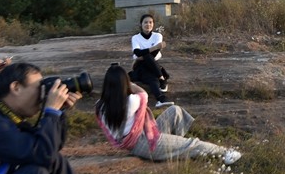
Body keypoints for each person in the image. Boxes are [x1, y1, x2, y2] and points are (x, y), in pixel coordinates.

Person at [95, 63, 241, 164]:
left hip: (142, 137)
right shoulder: (131, 101)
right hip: (145, 144)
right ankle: (225, 153)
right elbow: (143, 94)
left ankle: (175, 146)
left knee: (174, 111)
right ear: (125, 83)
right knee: (192, 144)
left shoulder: (99, 107)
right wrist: (129, 84)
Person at [129, 13, 172, 108]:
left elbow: (153, 54)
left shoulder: (157, 36)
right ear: (141, 24)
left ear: (153, 24)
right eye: (145, 22)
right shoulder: (135, 38)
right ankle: (162, 79)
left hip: (151, 66)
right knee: (148, 58)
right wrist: (155, 47)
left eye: (150, 22)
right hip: (139, 65)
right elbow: (137, 52)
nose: (148, 24)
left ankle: (161, 99)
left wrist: (143, 54)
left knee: (151, 76)